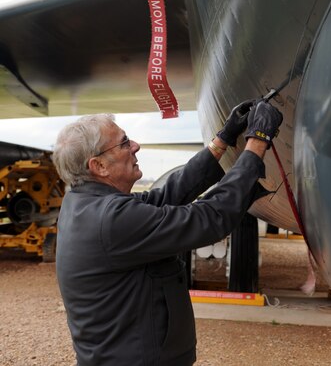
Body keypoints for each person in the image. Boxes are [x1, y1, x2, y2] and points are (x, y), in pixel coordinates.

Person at [53, 99, 282, 366]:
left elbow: (166, 197)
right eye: (124, 143)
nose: (136, 146)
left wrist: (222, 140)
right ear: (99, 166)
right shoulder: (112, 219)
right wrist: (257, 141)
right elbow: (209, 217)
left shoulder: (85, 204)